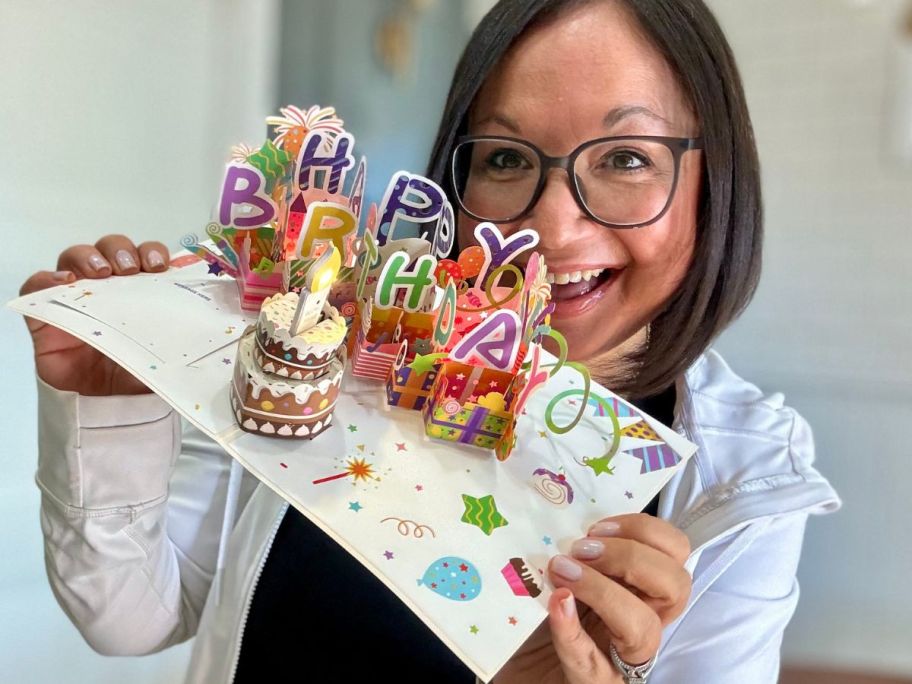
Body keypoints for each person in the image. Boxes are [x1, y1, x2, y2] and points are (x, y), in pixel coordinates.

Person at [19, 1, 840, 682]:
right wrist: (110, 407)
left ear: (718, 178)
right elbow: (132, 618)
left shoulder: (741, 478)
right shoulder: (326, 346)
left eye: (627, 156)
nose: (551, 226)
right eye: (508, 157)